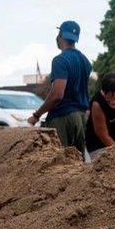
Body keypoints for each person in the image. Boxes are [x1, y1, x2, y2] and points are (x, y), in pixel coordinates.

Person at [28, 21, 93, 155]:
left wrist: (36, 115)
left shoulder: (60, 60)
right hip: (81, 118)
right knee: (78, 162)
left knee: (59, 163)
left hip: (63, 118)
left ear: (60, 35)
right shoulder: (85, 61)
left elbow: (57, 95)